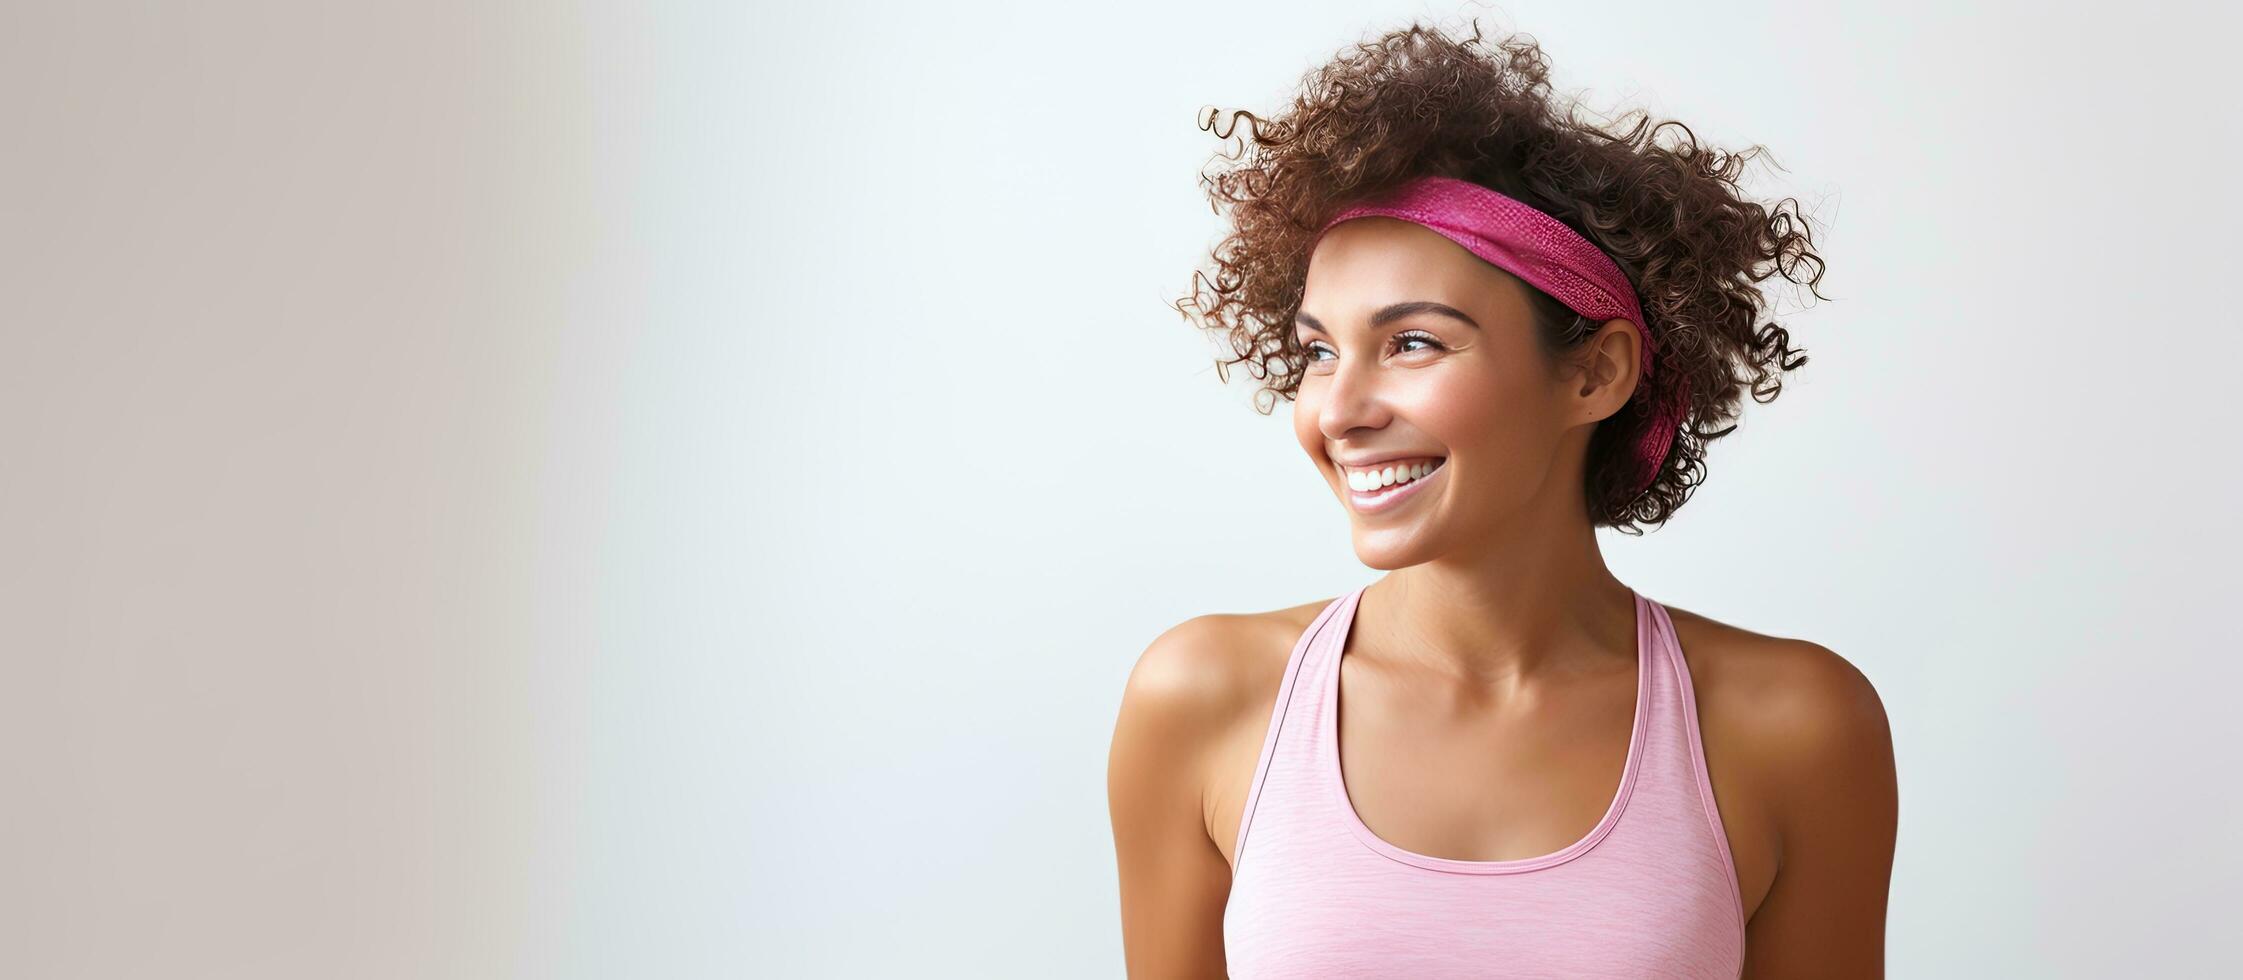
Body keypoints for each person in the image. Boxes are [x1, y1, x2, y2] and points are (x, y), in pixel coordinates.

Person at [1107, 20, 1897, 979]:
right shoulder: (1203, 700)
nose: (1339, 412)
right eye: (1319, 351)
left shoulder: (1793, 728)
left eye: (1412, 343)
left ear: (1595, 374)